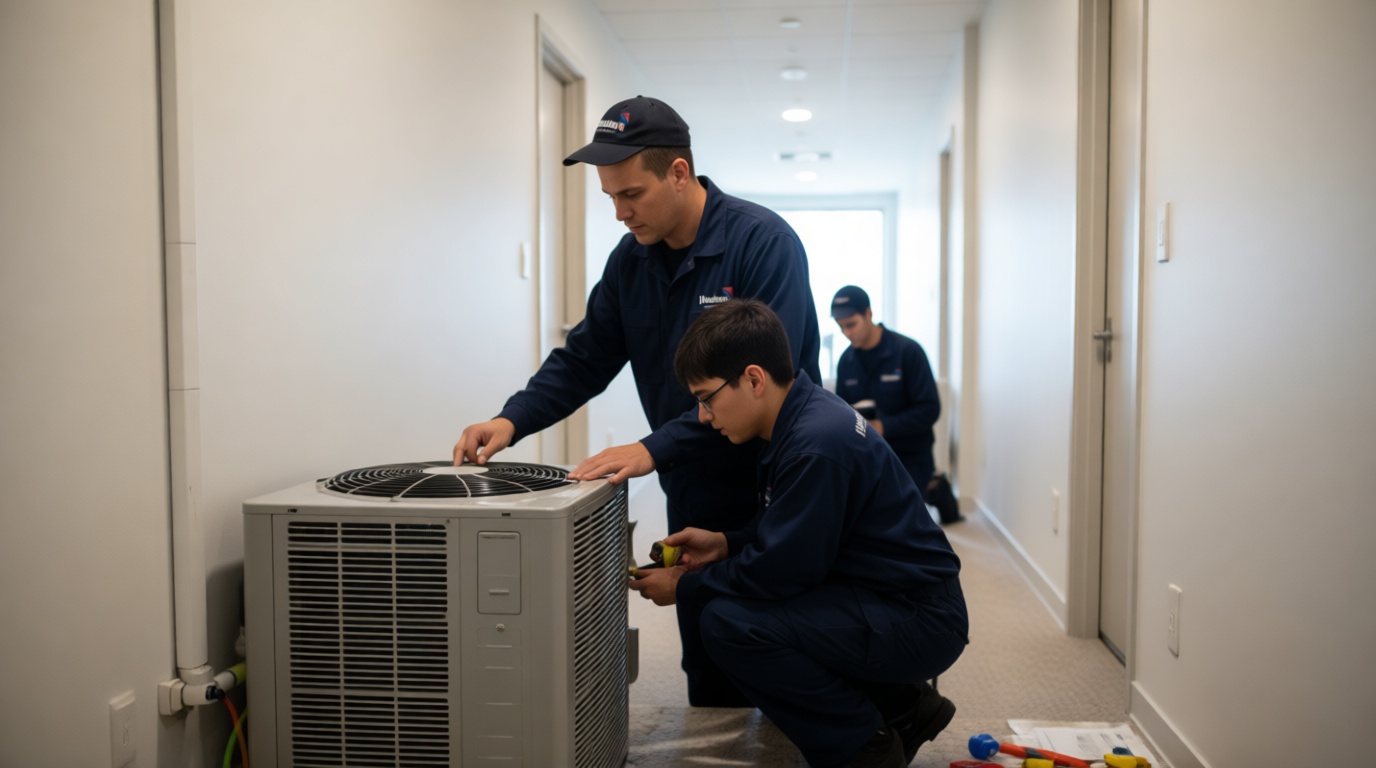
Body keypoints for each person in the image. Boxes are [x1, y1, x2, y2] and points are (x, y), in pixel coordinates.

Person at [453, 96, 822, 706]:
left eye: (632, 195)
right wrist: (511, 418)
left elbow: (763, 386)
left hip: (771, 476)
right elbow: (585, 357)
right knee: (711, 657)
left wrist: (651, 448)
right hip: (696, 479)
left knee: (783, 650)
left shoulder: (763, 243)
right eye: (610, 199)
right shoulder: (631, 262)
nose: (621, 213)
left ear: (679, 173)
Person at [630, 298, 967, 768]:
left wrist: (686, 585)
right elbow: (792, 533)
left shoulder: (814, 445)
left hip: (920, 619)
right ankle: (903, 707)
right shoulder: (805, 416)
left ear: (753, 378)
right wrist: (725, 543)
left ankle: (862, 746)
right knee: (738, 605)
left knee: (729, 623)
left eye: (706, 397)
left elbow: (780, 572)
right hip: (892, 596)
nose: (704, 416)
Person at [831, 285, 962, 524]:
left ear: (869, 314)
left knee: (895, 513)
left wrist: (883, 426)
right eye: (841, 327)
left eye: (851, 325)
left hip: (910, 454)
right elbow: (842, 412)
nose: (847, 333)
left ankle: (935, 487)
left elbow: (930, 409)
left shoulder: (908, 352)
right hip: (868, 454)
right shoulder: (846, 361)